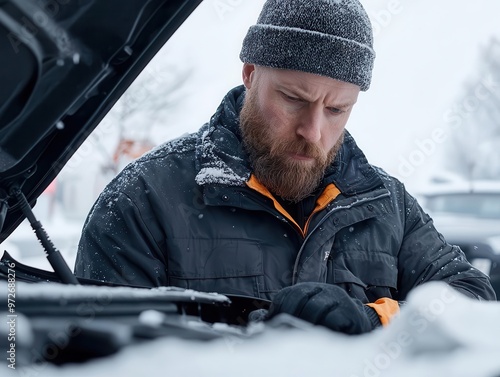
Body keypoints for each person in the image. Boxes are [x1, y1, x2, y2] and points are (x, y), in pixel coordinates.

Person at [74, 0, 496, 334]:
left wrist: (374, 320)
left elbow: (471, 303)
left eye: (336, 109)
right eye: (294, 98)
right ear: (251, 74)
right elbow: (101, 348)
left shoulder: (387, 204)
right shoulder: (143, 199)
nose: (313, 130)